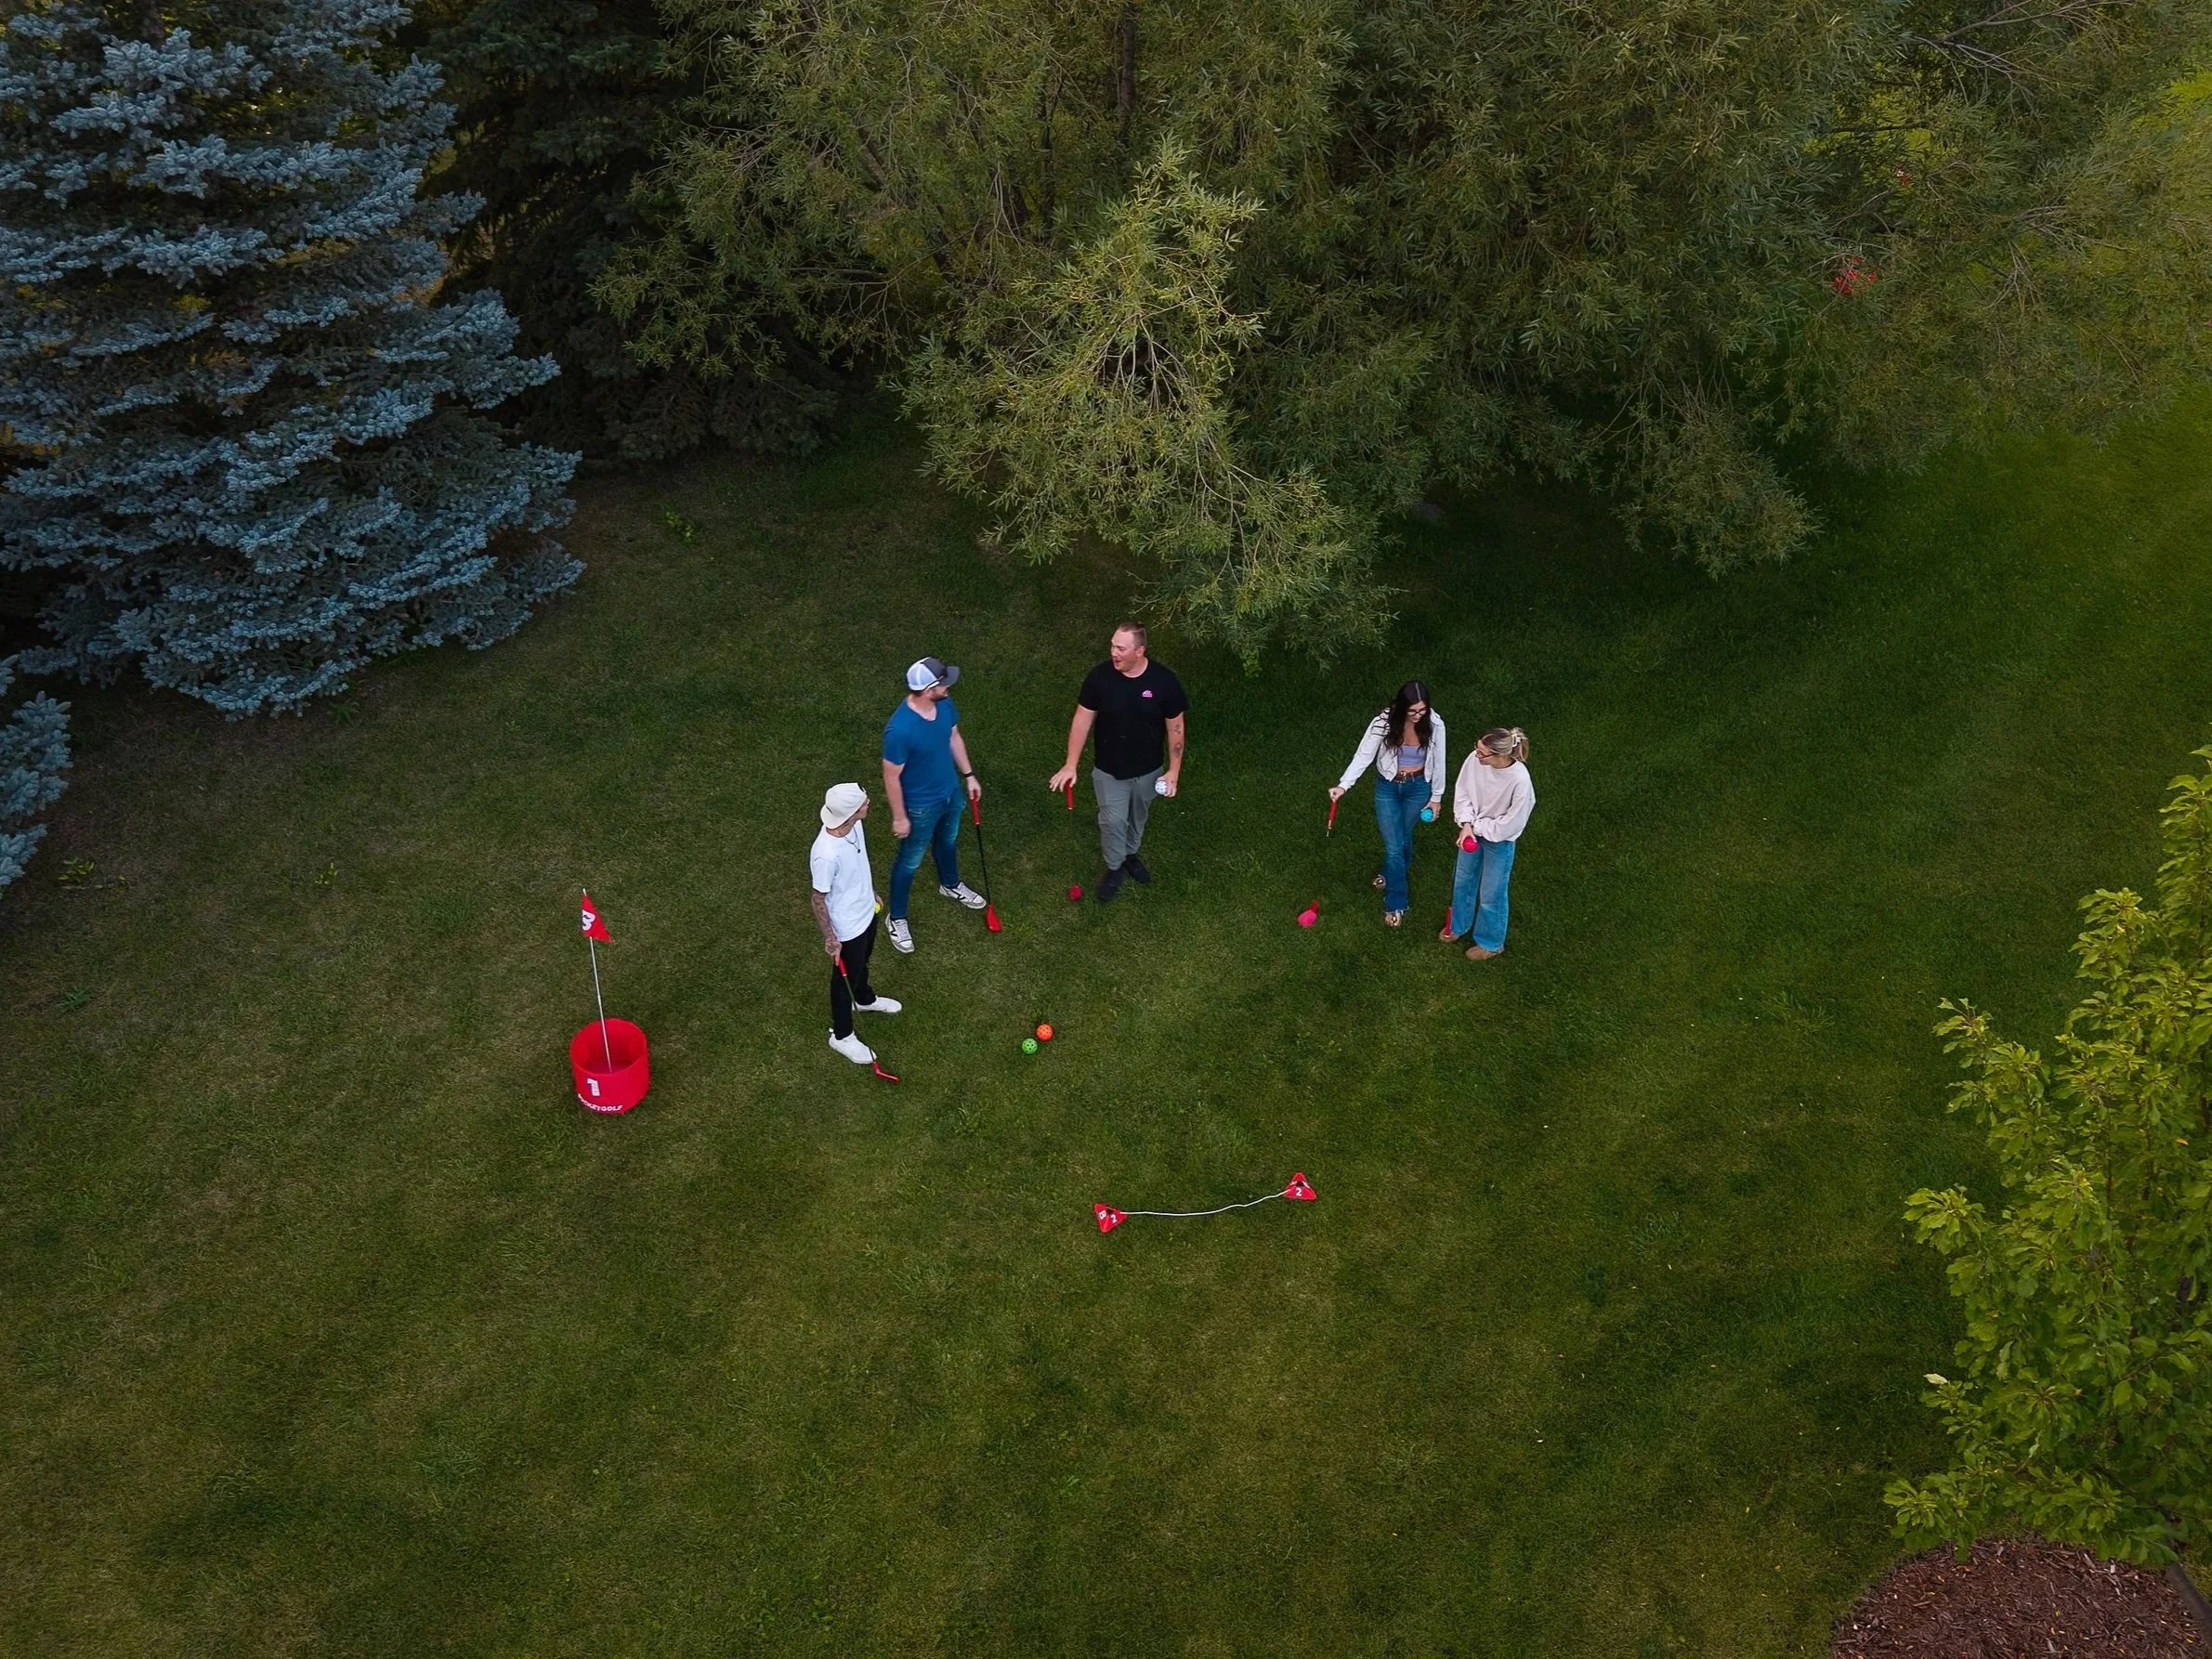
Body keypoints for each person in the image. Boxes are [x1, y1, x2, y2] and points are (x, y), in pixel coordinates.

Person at [1046, 623, 1187, 902]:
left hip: (1149, 771)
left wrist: (1173, 772)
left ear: (1139, 651)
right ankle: (1114, 867)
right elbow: (1082, 720)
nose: (1114, 653)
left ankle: (1130, 854)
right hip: (1109, 771)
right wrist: (1070, 764)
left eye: (1121, 648)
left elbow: (1177, 728)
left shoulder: (1164, 682)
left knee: (1138, 816)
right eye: (1112, 646)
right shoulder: (1099, 678)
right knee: (1112, 822)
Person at [881, 656, 987, 954]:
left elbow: (954, 737)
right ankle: (897, 917)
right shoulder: (900, 731)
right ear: (929, 690)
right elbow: (891, 777)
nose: (949, 685)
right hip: (919, 806)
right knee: (909, 861)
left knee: (948, 840)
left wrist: (969, 775)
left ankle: (949, 884)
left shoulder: (944, 705)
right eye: (944, 682)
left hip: (950, 793)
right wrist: (900, 817)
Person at [1330, 680, 1446, 927]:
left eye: (1422, 710)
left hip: (1418, 788)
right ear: (1401, 707)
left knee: (1403, 836)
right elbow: (1363, 755)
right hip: (1388, 787)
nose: (1418, 716)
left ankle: (1388, 873)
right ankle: (1396, 902)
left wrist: (1436, 797)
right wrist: (1344, 784)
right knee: (1395, 846)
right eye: (1412, 711)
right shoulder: (1383, 723)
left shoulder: (1435, 724)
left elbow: (1440, 760)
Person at [809, 782, 901, 1065]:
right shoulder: (826, 853)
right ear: (849, 813)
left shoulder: (855, 826)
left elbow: (857, 866)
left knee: (863, 963)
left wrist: (869, 892)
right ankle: (841, 1035)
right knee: (842, 980)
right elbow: (817, 898)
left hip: (866, 911)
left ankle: (863, 999)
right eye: (863, 802)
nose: (868, 802)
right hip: (847, 927)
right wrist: (830, 938)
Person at [1443, 727, 1534, 961]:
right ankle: (1458, 926)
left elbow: (1510, 825)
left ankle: (1491, 943)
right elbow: (1462, 792)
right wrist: (1466, 824)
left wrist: (1476, 827)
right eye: (1477, 748)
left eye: (1483, 753)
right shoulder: (1476, 761)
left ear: (1501, 756)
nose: (1476, 755)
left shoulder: (1520, 781)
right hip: (1471, 831)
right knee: (1463, 879)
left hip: (1500, 841)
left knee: (1492, 891)